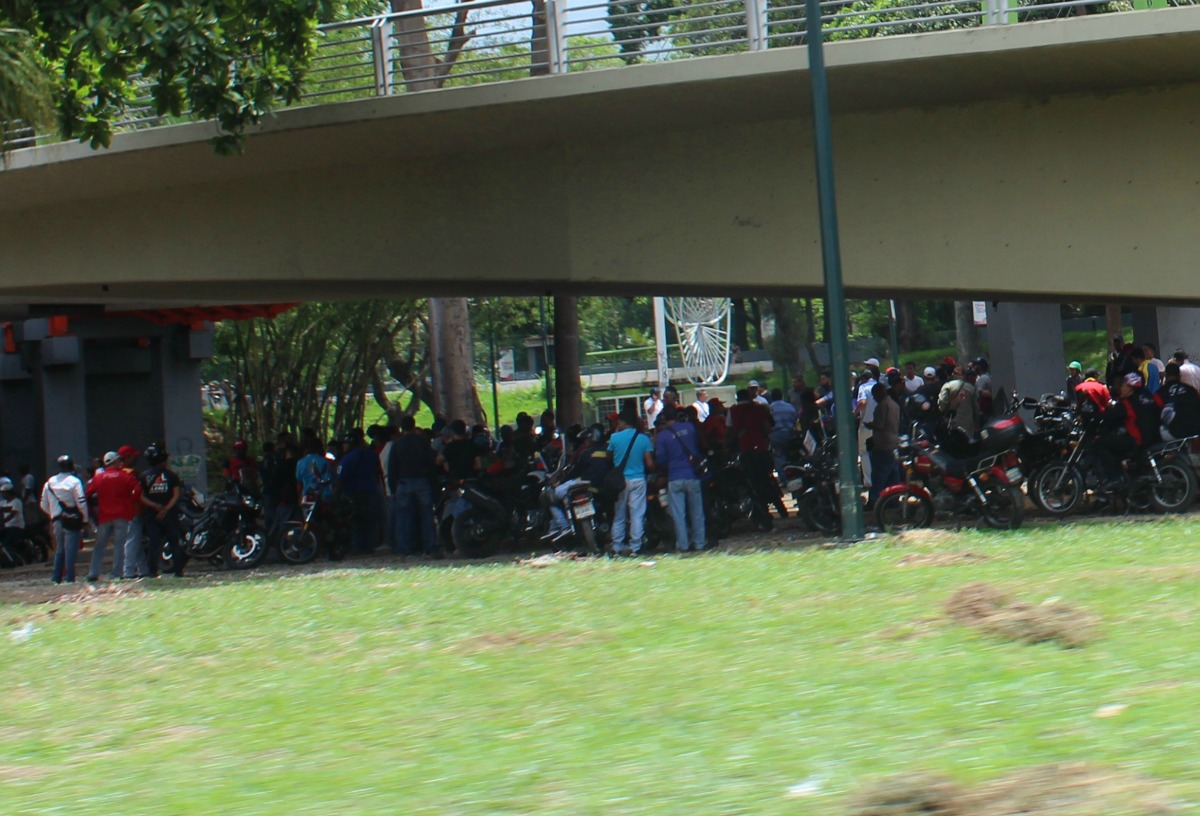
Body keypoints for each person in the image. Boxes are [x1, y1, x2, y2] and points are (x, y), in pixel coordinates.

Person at [1095, 371, 1162, 489]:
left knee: (1101, 443)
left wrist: (1095, 416)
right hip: (1156, 436)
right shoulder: (1149, 395)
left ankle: (1115, 478)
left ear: (1130, 388)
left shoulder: (1126, 403)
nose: (1121, 388)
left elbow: (1109, 417)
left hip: (1139, 440)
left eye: (1123, 385)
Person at [85, 449, 142, 581]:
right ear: (115, 462)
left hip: (104, 516)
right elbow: (137, 490)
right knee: (119, 545)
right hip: (122, 515)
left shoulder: (98, 478)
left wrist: (91, 511)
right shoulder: (125, 476)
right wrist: (131, 501)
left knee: (99, 545)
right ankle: (116, 573)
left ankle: (93, 573)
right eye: (119, 461)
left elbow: (87, 494)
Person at [654, 408, 706, 553]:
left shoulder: (663, 436)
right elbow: (697, 446)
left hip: (675, 477)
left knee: (678, 514)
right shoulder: (690, 428)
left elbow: (661, 459)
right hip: (692, 475)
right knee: (697, 512)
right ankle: (700, 543)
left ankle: (683, 545)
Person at [387, 415, 439, 558]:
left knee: (403, 517)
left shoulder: (397, 444)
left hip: (403, 482)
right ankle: (430, 546)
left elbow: (392, 467)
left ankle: (404, 548)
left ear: (402, 428)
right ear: (413, 425)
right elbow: (431, 462)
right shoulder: (422, 442)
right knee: (427, 515)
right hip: (422, 480)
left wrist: (393, 488)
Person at [730, 388, 787, 518]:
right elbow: (768, 427)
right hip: (761, 449)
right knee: (766, 479)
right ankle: (781, 509)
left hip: (746, 450)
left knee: (752, 482)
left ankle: (763, 512)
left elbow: (730, 431)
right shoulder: (759, 409)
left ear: (738, 399)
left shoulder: (733, 411)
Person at [607, 410, 655, 557]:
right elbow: (649, 463)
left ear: (622, 422)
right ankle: (635, 547)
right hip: (638, 480)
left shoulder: (614, 438)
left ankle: (616, 547)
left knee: (619, 514)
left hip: (620, 481)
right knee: (637, 515)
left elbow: (609, 457)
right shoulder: (643, 439)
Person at [335, 428, 385, 555]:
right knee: (370, 520)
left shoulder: (347, 459)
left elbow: (340, 478)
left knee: (355, 520)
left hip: (352, 493)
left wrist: (336, 494)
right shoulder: (372, 454)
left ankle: (357, 546)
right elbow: (379, 471)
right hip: (371, 491)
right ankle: (369, 545)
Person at [140, 443, 185, 578]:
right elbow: (176, 494)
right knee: (174, 542)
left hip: (152, 515)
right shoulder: (171, 476)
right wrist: (166, 509)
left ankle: (152, 571)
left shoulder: (144, 476)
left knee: (154, 543)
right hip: (170, 514)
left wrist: (155, 506)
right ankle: (178, 570)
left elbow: (140, 496)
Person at [42, 455, 89, 585]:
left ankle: (56, 578)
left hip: (57, 520)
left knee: (60, 550)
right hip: (72, 520)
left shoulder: (50, 482)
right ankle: (69, 577)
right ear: (72, 466)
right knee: (71, 550)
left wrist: (53, 515)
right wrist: (85, 519)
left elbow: (43, 504)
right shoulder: (74, 482)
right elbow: (81, 502)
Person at [866, 382, 900, 507]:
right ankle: (894, 501)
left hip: (882, 445)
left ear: (881, 392)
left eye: (875, 395)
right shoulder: (894, 405)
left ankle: (874, 501)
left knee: (878, 476)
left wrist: (869, 424)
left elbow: (879, 425)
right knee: (893, 475)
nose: (874, 398)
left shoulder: (882, 406)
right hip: (893, 443)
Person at [854, 360, 881, 490]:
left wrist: (854, 412)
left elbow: (862, 402)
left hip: (867, 424)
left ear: (863, 379)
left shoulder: (863, 387)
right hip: (881, 425)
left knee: (864, 452)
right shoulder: (879, 386)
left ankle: (868, 481)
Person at [1160, 363, 1200, 440]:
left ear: (1166, 374)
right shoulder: (1191, 390)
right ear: (1179, 375)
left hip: (1175, 433)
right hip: (1196, 430)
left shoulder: (1160, 393)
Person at [938, 366, 980, 437]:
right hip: (967, 423)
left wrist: (944, 410)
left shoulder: (947, 386)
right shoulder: (971, 388)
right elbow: (976, 408)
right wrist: (977, 422)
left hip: (952, 422)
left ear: (952, 375)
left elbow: (942, 401)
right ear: (964, 376)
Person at [767, 387, 798, 472]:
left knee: (778, 456)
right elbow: (796, 421)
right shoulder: (790, 407)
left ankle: (784, 477)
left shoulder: (769, 409)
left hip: (775, 436)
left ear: (772, 397)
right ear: (781, 396)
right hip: (790, 435)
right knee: (790, 455)